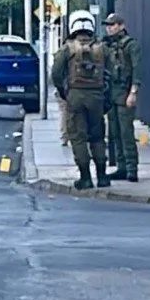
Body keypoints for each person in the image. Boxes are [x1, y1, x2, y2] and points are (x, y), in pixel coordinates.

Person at [51, 10, 113, 189]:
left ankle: (85, 177)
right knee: (97, 136)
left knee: (78, 137)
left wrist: (63, 91)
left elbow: (56, 73)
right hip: (97, 96)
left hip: (75, 96)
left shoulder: (68, 48)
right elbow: (111, 72)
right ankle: (102, 176)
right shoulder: (102, 48)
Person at [103, 13, 142, 182]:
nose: (109, 28)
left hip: (124, 92)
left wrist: (133, 92)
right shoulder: (108, 45)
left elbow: (136, 70)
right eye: (108, 25)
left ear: (121, 25)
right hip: (112, 93)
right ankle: (121, 167)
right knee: (114, 133)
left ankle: (132, 168)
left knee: (126, 132)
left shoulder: (130, 45)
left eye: (113, 25)